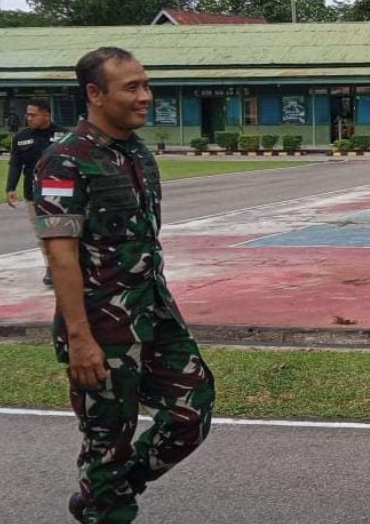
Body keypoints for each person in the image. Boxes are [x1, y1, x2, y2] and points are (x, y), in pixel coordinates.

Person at [33, 46, 215, 524]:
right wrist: (80, 339)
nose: (146, 97)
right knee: (107, 442)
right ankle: (106, 502)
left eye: (146, 84)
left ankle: (107, 492)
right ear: (95, 93)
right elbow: (61, 254)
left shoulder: (136, 153)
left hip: (154, 312)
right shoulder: (63, 161)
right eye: (132, 87)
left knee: (191, 412)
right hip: (100, 328)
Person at [6, 98, 68, 285]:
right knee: (42, 233)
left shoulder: (63, 135)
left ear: (46, 114)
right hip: (33, 192)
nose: (28, 118)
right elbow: (16, 164)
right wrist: (10, 187)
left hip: (60, 191)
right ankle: (50, 267)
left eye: (33, 114)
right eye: (27, 114)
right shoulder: (21, 137)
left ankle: (69, 266)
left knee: (63, 231)